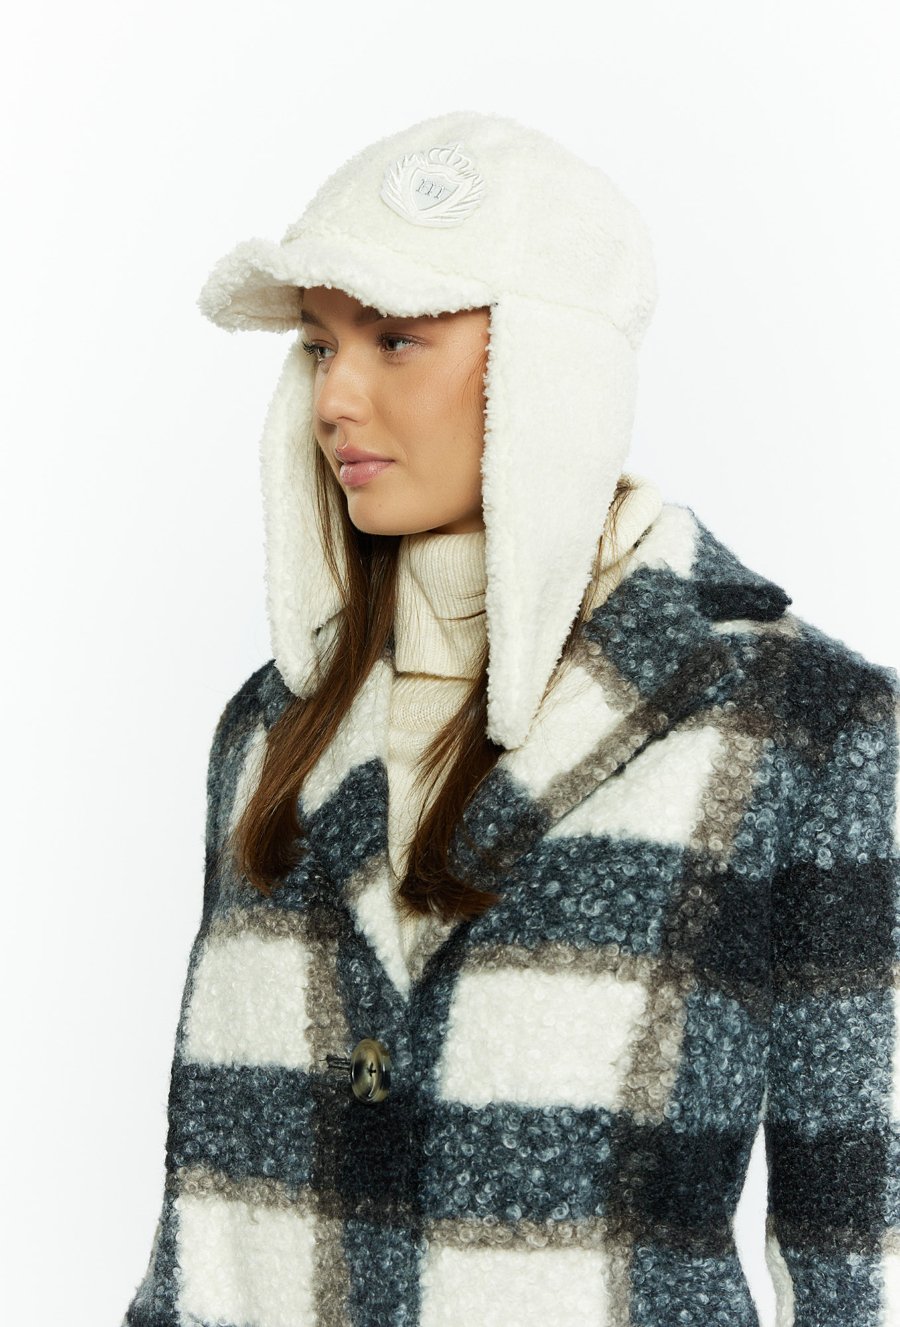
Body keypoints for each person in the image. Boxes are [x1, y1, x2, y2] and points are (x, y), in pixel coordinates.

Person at [120, 110, 900, 1327]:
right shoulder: (270, 732)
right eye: (320, 345)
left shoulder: (797, 723)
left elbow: (860, 1237)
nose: (336, 397)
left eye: (395, 338)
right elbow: (202, 1230)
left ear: (552, 370)